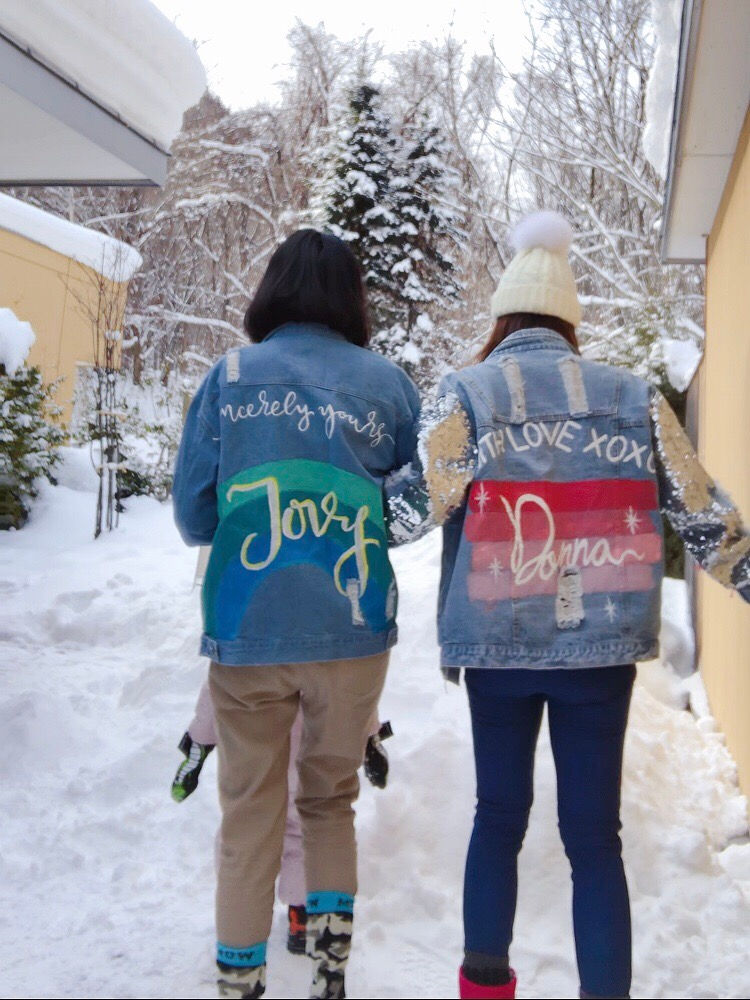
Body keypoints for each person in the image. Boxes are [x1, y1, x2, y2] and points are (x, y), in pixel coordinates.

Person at [385, 210, 750, 1000]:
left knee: (498, 817)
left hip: (497, 641)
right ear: (570, 324)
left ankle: (485, 989)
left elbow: (414, 511)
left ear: (502, 318)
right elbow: (699, 510)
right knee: (596, 840)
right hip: (601, 648)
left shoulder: (467, 394)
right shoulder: (634, 399)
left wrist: (337, 509)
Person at [172, 229, 420, 1000]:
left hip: (250, 627)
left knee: (249, 812)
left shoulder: (231, 376)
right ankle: (330, 970)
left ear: (271, 290)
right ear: (351, 297)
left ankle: (239, 983)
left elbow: (192, 513)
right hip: (353, 628)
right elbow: (411, 509)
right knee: (328, 800)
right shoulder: (388, 385)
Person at [171, 683, 393, 955]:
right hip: (309, 754)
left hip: (254, 758)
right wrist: (370, 738)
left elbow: (219, 684)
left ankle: (241, 919)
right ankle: (302, 915)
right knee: (304, 833)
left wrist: (198, 743)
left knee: (246, 833)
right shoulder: (325, 650)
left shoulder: (244, 645)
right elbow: (351, 689)